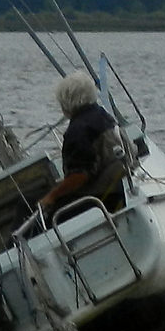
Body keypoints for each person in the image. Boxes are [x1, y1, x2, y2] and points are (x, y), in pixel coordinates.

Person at [39, 70, 128, 220]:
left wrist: (51, 196)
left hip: (99, 198)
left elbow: (80, 175)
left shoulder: (78, 131)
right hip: (117, 190)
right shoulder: (103, 116)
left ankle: (17, 243)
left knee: (33, 205)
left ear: (67, 102)